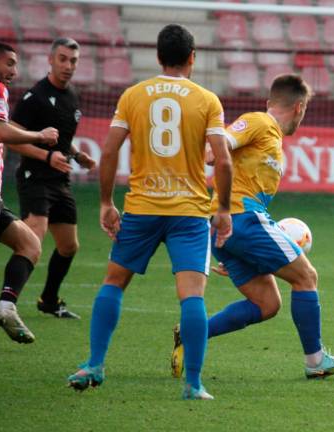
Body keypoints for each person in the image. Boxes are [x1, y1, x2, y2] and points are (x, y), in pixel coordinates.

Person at [66, 24, 233, 400]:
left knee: (113, 282)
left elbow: (109, 152)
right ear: (193, 57)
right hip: (189, 212)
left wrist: (107, 203)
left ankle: (94, 363)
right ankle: (193, 384)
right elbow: (222, 161)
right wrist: (222, 209)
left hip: (141, 208)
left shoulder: (134, 96)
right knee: (192, 296)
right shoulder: (207, 100)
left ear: (158, 57)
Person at [171, 74, 334, 380]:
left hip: (230, 230)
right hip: (242, 219)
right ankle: (315, 361)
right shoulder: (259, 121)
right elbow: (217, 148)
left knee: (266, 304)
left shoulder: (271, 139)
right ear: (299, 108)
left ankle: (193, 333)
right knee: (307, 276)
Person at [0, 41, 59, 343]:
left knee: (30, 244)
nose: (14, 72)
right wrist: (39, 135)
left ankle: (6, 306)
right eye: (9, 64)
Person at [7, 38, 96, 320]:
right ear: (50, 60)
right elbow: (11, 139)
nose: (68, 66)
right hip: (35, 177)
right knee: (33, 239)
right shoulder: (35, 98)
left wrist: (78, 155)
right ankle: (7, 302)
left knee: (69, 246)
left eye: (73, 60)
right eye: (63, 59)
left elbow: (62, 139)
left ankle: (48, 300)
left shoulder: (72, 96)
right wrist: (46, 157)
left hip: (59, 181)